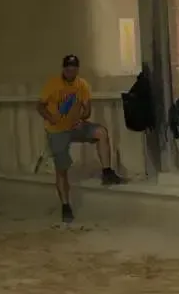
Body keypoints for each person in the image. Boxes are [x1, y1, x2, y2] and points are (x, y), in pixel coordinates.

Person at [37, 54, 124, 225]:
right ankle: (65, 205)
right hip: (57, 130)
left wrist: (82, 119)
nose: (71, 71)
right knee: (62, 169)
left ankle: (107, 172)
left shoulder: (82, 85)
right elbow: (40, 106)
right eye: (68, 69)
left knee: (101, 132)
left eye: (74, 69)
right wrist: (50, 118)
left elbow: (87, 110)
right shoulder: (53, 84)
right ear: (64, 69)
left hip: (75, 126)